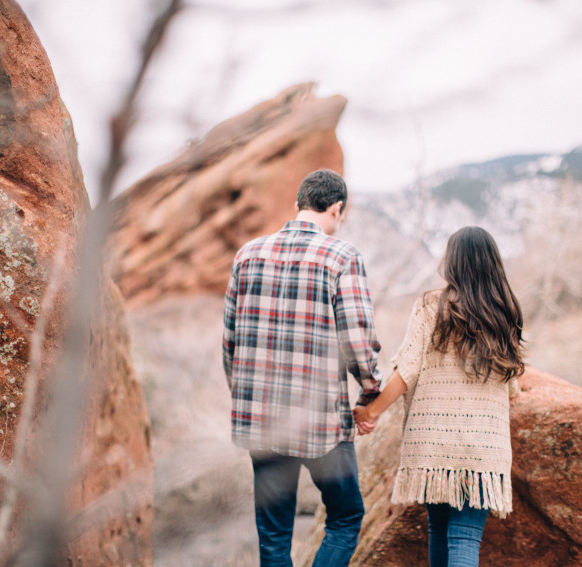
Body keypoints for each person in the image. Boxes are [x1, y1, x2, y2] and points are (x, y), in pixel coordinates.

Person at [223, 168, 382, 566]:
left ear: (297, 207)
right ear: (337, 208)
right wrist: (369, 394)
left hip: (260, 419)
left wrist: (247, 397)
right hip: (320, 421)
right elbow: (358, 342)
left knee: (274, 535)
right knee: (346, 518)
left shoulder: (247, 254)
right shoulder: (342, 256)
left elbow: (230, 343)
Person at [353, 226, 524, 567]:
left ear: (453, 262)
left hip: (434, 444)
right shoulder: (505, 312)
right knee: (464, 538)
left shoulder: (432, 305)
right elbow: (512, 387)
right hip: (482, 450)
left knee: (439, 529)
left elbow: (408, 368)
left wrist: (372, 411)